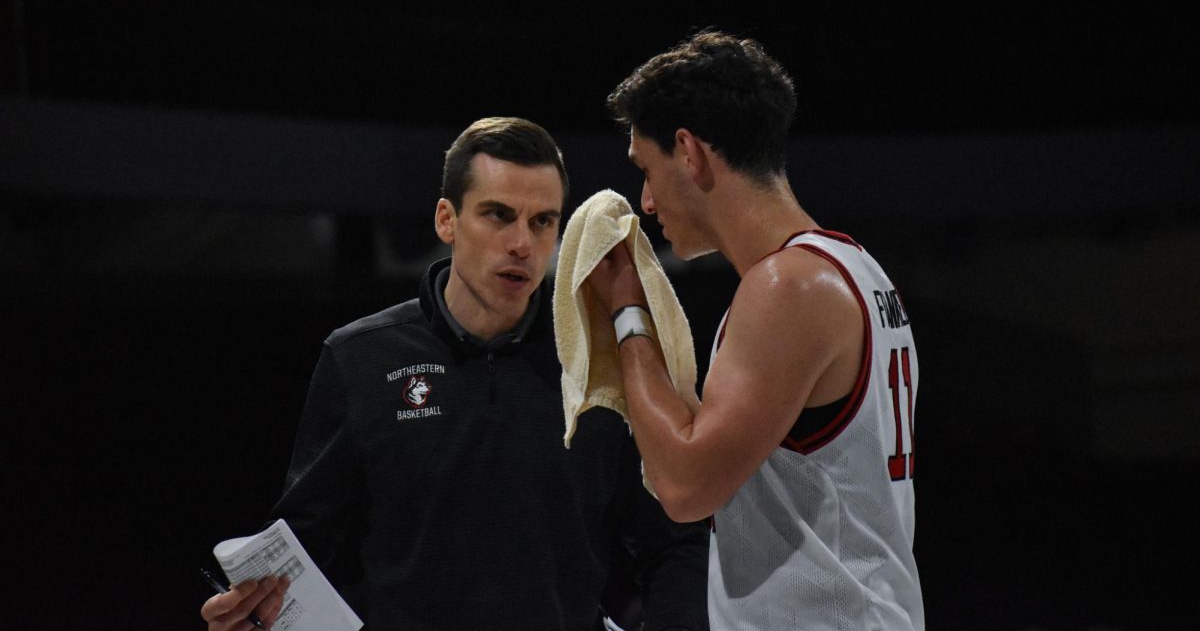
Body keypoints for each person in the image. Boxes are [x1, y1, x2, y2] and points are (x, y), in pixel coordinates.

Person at [201, 117, 710, 631]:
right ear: (447, 220)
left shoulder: (599, 363)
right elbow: (305, 548)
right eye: (499, 215)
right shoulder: (361, 356)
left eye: (542, 222)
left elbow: (673, 542)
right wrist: (245, 611)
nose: (522, 244)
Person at [586, 31, 925, 630]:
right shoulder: (852, 268)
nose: (646, 201)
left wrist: (627, 311)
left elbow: (685, 487)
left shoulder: (786, 288)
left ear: (688, 152)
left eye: (647, 168)